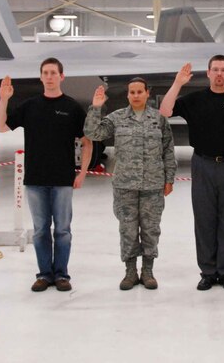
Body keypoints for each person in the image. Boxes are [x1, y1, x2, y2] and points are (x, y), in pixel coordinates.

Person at [159, 56, 224, 291]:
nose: (220, 74)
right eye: (215, 70)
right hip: (202, 165)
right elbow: (165, 111)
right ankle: (207, 271)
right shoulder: (195, 100)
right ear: (209, 73)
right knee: (204, 220)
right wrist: (178, 83)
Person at [0, 58, 92, 292]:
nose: (49, 77)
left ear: (62, 76)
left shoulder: (71, 107)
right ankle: (44, 274)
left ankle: (61, 275)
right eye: (45, 73)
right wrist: (4, 99)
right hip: (36, 180)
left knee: (62, 230)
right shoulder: (30, 106)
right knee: (40, 230)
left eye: (53, 73)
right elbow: (0, 126)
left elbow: (87, 142)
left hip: (63, 180)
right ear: (40, 77)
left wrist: (83, 173)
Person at [84, 78, 176, 290]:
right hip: (125, 186)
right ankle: (130, 271)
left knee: (151, 229)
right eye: (132, 92)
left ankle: (148, 271)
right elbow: (93, 133)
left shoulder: (158, 120)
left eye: (139, 92)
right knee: (128, 229)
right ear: (128, 95)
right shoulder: (116, 119)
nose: (135, 95)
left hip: (152, 186)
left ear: (147, 94)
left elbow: (168, 151)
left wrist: (169, 178)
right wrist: (95, 108)